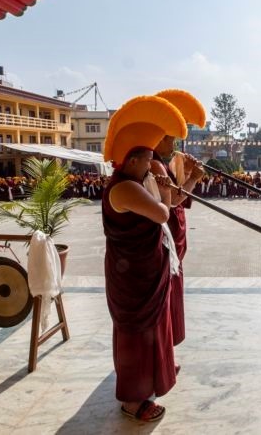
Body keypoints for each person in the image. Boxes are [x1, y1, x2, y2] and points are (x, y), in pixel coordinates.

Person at [101, 96, 188, 423]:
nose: (152, 165)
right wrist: (162, 188)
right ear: (133, 160)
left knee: (155, 326)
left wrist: (160, 184)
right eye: (148, 160)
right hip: (133, 275)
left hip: (146, 268)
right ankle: (133, 401)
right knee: (137, 333)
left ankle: (155, 377)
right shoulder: (124, 188)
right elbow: (162, 213)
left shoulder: (136, 181)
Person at [151, 89, 207, 349]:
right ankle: (164, 349)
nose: (173, 144)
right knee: (167, 291)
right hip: (165, 232)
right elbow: (174, 199)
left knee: (173, 290)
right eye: (169, 138)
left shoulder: (165, 162)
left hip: (175, 227)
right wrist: (195, 177)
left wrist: (189, 171)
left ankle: (169, 345)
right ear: (157, 138)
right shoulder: (153, 165)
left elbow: (178, 192)